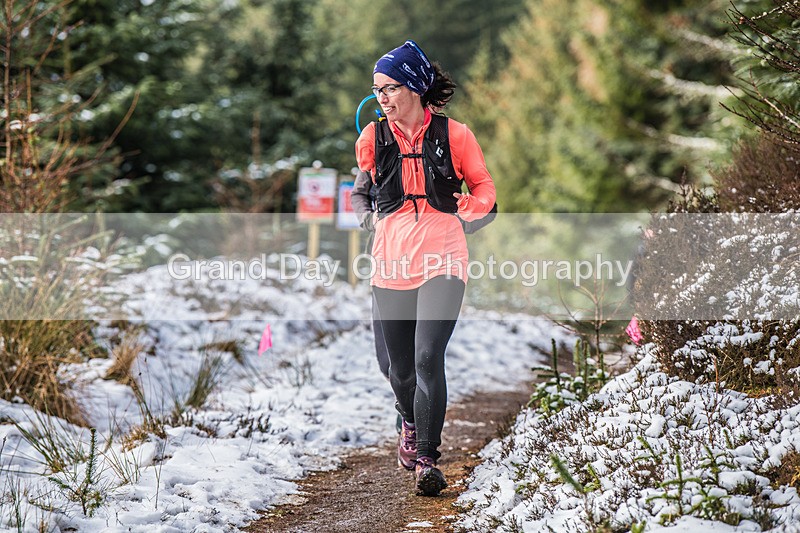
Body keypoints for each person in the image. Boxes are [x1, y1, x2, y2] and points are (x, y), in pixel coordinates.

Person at [353, 40, 496, 496]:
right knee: (398, 371)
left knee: (427, 357)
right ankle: (410, 423)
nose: (382, 98)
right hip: (391, 261)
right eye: (377, 90)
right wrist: (368, 217)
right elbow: (361, 192)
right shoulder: (372, 138)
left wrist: (472, 207)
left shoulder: (457, 135)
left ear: (413, 86)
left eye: (390, 88)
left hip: (444, 259)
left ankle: (427, 459)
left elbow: (486, 191)